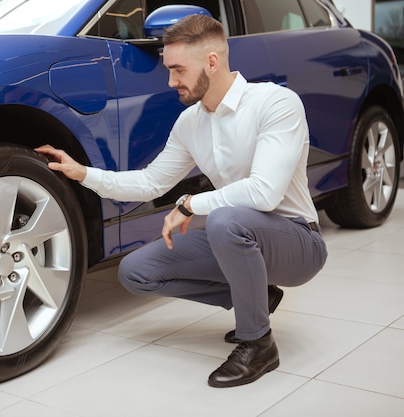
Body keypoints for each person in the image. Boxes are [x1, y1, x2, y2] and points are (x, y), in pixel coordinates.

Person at [36, 13, 327, 388]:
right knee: (136, 272)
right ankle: (256, 294)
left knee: (224, 220)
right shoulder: (191, 122)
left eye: (177, 69)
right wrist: (83, 173)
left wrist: (191, 203)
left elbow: (264, 192)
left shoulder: (275, 103)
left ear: (211, 61)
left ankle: (258, 342)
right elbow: (150, 182)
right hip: (237, 235)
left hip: (298, 240)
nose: (171, 81)